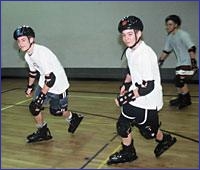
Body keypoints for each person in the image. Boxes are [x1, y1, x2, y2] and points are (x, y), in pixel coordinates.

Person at [107, 16, 176, 165]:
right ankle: (128, 152)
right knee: (122, 125)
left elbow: (148, 86)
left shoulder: (144, 54)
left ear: (139, 34)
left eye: (130, 34)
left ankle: (165, 139)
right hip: (136, 97)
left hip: (148, 100)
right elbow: (130, 71)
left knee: (148, 133)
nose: (126, 38)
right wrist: (125, 87)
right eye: (124, 35)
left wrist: (125, 98)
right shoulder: (130, 51)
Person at [13, 25, 84, 143]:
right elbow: (32, 72)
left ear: (31, 40)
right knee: (34, 107)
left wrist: (41, 96)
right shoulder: (27, 55)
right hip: (44, 83)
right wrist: (30, 87)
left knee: (56, 111)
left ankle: (73, 118)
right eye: (18, 41)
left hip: (58, 86)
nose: (20, 43)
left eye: (23, 40)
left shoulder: (41, 53)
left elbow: (51, 79)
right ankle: (43, 131)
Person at [158, 14, 198, 109]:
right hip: (180, 63)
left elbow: (191, 47)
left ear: (176, 25)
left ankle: (186, 100)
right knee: (177, 81)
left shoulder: (183, 34)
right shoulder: (170, 37)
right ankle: (182, 98)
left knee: (179, 80)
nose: (167, 27)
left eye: (170, 24)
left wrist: (193, 62)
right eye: (167, 25)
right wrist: (159, 62)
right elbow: (166, 51)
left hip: (188, 63)